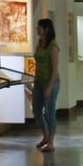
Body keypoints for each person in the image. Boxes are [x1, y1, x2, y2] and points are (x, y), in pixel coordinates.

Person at [33, 17, 60, 152]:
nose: (37, 29)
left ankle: (51, 142)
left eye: (39, 27)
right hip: (38, 81)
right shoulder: (39, 43)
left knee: (49, 112)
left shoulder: (53, 47)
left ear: (46, 29)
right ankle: (45, 136)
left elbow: (55, 70)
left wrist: (49, 87)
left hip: (51, 82)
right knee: (36, 111)